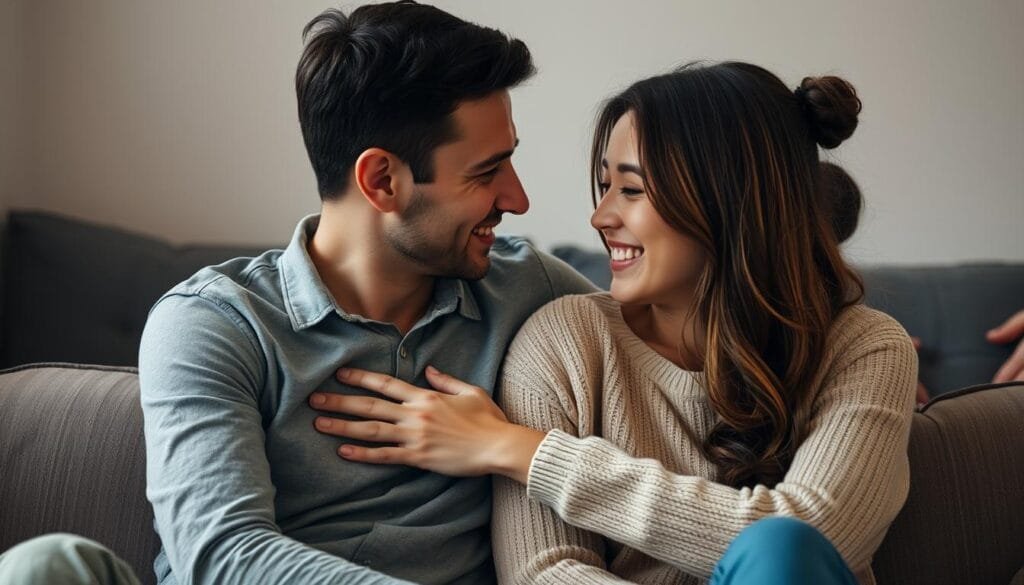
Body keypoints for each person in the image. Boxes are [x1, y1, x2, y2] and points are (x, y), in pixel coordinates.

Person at [0, 2, 597, 584]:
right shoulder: (215, 323)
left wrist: (517, 447)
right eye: (486, 172)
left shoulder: (527, 288)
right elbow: (222, 556)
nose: (518, 200)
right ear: (382, 180)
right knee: (45, 567)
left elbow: (673, 352)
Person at [310, 62, 918, 584]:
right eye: (604, 186)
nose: (600, 216)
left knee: (779, 547)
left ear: (730, 200)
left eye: (630, 189)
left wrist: (522, 451)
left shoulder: (865, 348)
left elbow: (817, 536)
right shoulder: (564, 340)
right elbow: (543, 569)